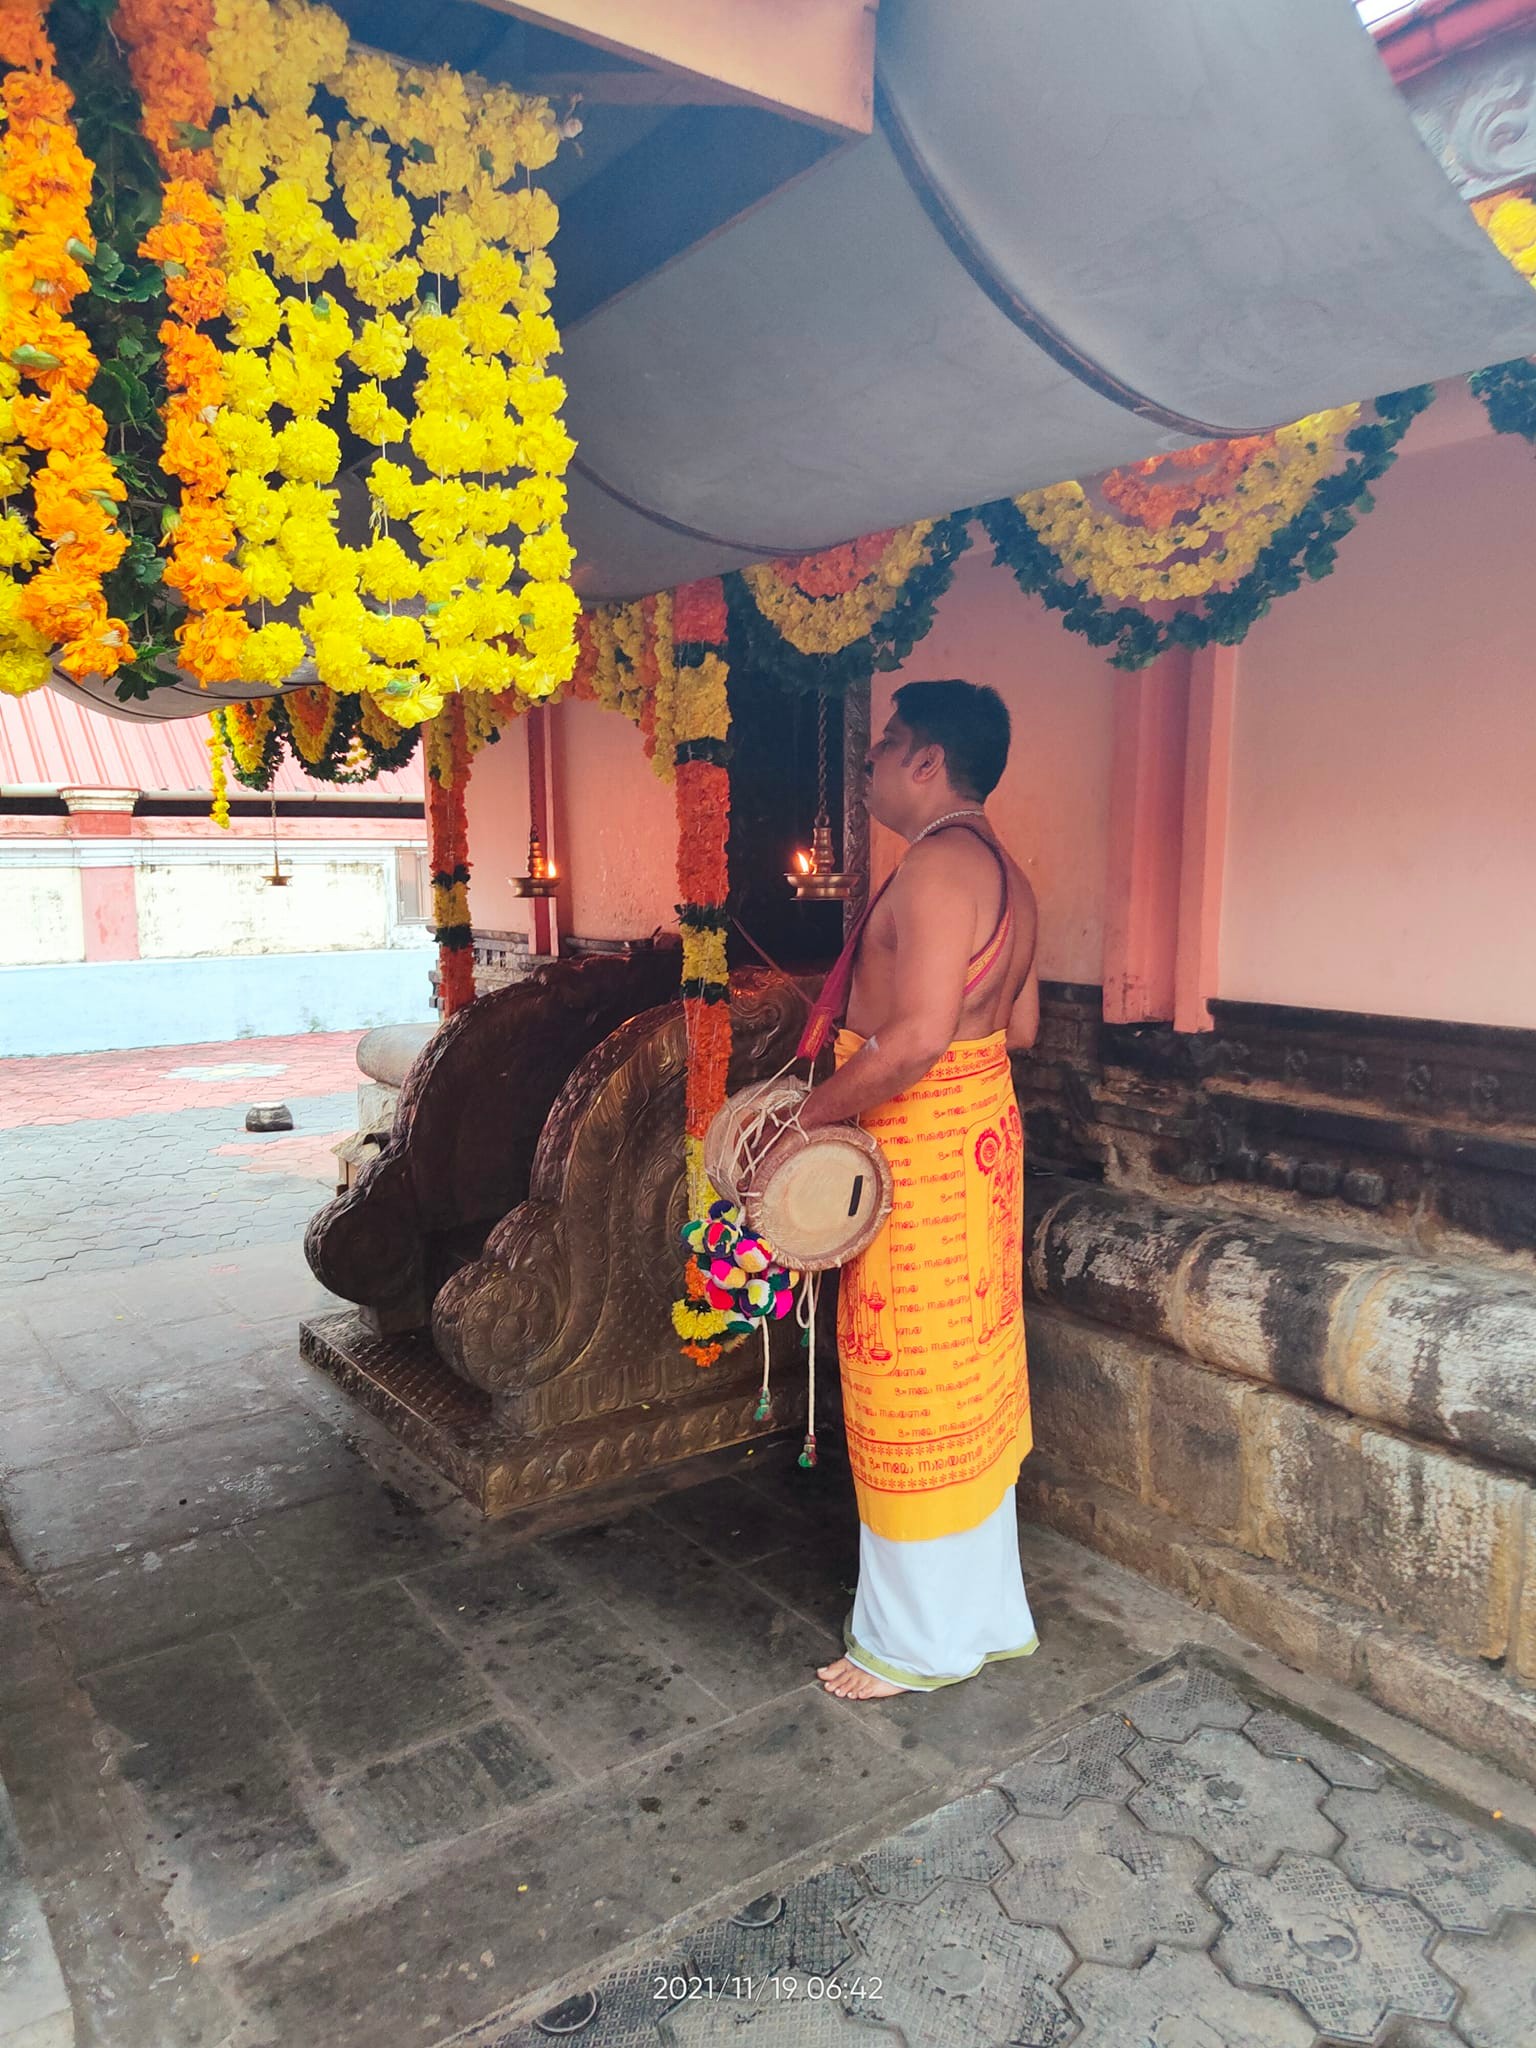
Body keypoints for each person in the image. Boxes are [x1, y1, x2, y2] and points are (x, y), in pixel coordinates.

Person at [794, 679, 1039, 1700]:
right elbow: (1016, 1032)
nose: (872, 760)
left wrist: (808, 1118)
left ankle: (914, 1642)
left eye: (885, 744)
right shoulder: (1009, 875)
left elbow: (921, 1036)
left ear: (927, 759)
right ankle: (976, 1613)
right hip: (981, 1140)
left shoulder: (940, 866)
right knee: (967, 1370)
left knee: (905, 1375)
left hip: (926, 1152)